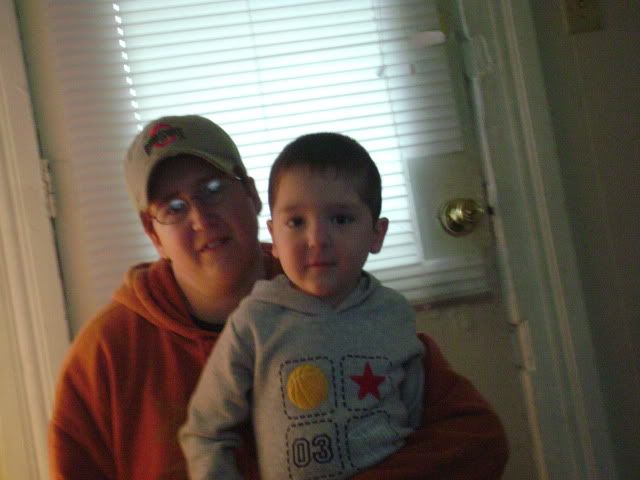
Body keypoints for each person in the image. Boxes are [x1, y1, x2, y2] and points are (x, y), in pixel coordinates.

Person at [48, 114, 509, 479]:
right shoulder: (105, 356)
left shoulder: (344, 296)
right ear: (152, 233)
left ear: (251, 196)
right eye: (173, 207)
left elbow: (477, 439)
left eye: (213, 189)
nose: (201, 219)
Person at [179, 133, 426, 480]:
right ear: (274, 237)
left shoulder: (394, 313)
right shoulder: (255, 320)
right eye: (296, 222)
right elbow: (205, 431)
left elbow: (419, 421)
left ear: (377, 233)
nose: (317, 239)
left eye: (341, 219)